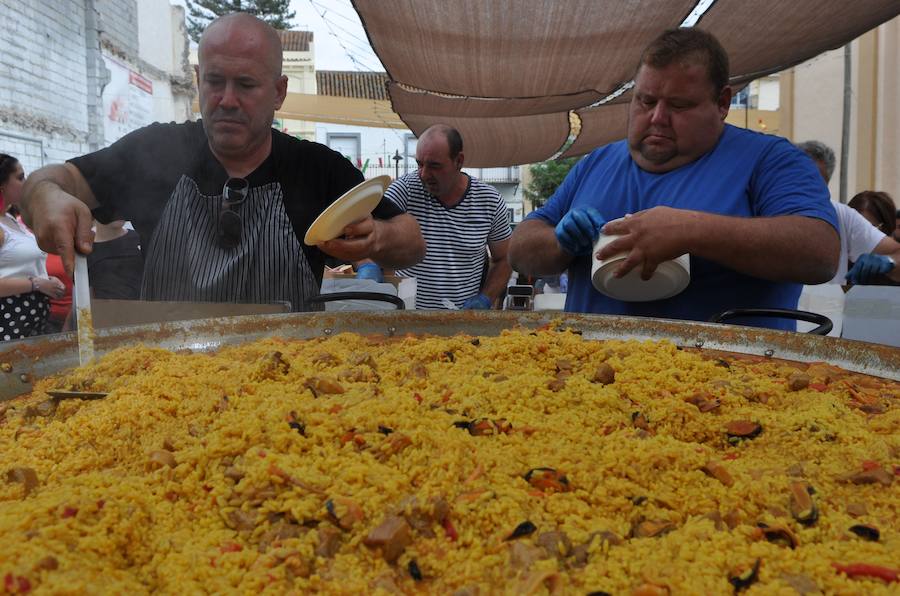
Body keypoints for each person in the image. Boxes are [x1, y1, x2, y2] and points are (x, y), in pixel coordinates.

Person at [19, 13, 424, 312]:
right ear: (198, 80)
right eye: (214, 82)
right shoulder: (156, 149)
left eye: (246, 84)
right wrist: (44, 195)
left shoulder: (316, 167)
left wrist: (377, 240)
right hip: (167, 381)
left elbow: (412, 240)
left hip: (287, 389)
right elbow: (60, 178)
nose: (227, 100)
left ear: (279, 92)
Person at [509, 28, 839, 329]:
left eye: (679, 106)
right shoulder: (597, 162)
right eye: (646, 101)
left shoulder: (771, 159)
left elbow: (820, 252)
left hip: (727, 383)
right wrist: (559, 242)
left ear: (722, 103)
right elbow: (520, 249)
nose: (657, 118)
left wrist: (690, 230)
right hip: (591, 381)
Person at [375, 124, 513, 310]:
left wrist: (485, 298)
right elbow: (372, 234)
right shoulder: (405, 191)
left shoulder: (489, 201)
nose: (424, 174)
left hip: (460, 323)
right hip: (408, 319)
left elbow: (504, 258)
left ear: (459, 161)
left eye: (434, 166)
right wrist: (370, 266)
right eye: (420, 164)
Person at [796, 142, 900, 285]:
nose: (804, 191)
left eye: (814, 184)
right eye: (797, 179)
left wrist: (890, 261)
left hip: (824, 307)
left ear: (826, 184)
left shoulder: (842, 217)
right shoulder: (760, 210)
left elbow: (896, 253)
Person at [0, 154, 66, 340]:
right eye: (20, 177)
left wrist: (45, 280)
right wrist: (37, 283)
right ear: (2, 186)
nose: (26, 182)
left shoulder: (11, 220)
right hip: (9, 321)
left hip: (29, 320)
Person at [88, 219, 144, 300]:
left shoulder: (142, 240)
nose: (118, 211)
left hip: (146, 308)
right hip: (105, 310)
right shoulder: (85, 249)